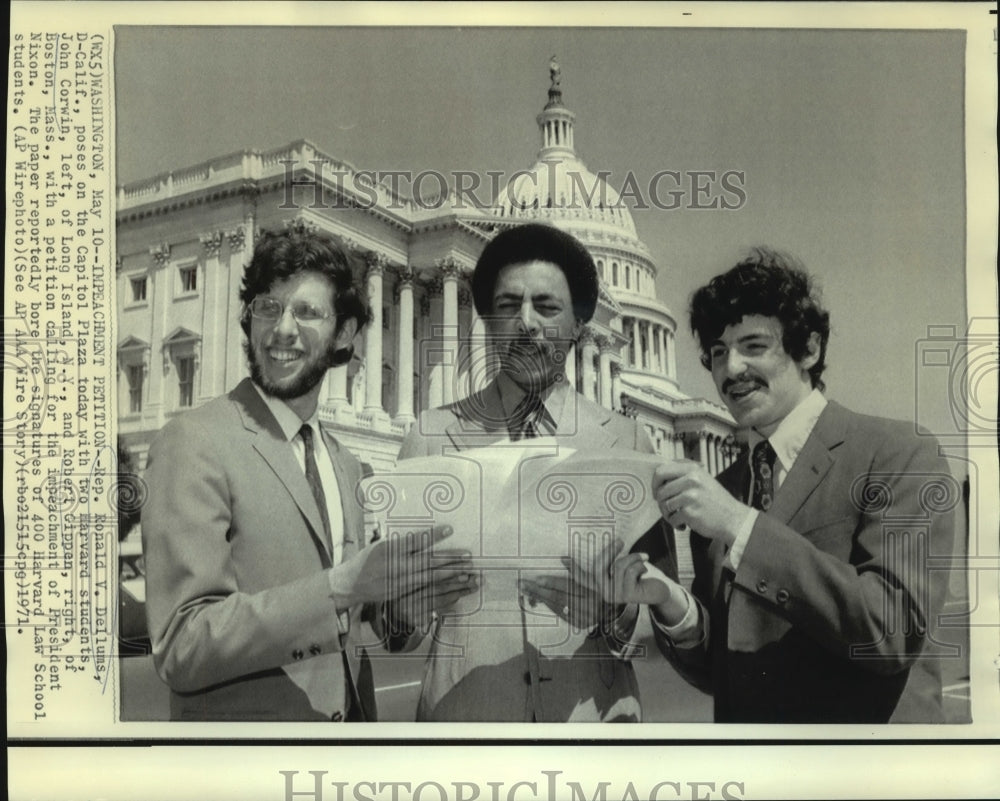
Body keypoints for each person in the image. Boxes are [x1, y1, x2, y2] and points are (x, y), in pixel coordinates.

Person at [141, 223, 476, 721]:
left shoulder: (346, 466)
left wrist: (410, 599)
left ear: (344, 333)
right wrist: (342, 585)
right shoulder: (192, 443)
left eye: (307, 312)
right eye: (268, 307)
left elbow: (370, 625)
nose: (282, 330)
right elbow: (183, 647)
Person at [621, 248, 955, 723]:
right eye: (718, 352)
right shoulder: (725, 487)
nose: (730, 369)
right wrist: (674, 606)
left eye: (753, 346)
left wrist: (741, 525)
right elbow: (730, 671)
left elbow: (892, 629)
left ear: (810, 349)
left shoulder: (898, 452)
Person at [396, 222, 677, 721]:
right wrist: (403, 607)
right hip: (466, 731)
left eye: (546, 308)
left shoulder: (630, 443)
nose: (526, 323)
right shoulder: (429, 438)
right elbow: (397, 629)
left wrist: (613, 612)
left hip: (596, 729)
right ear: (486, 319)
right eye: (508, 306)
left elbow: (662, 605)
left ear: (577, 325)